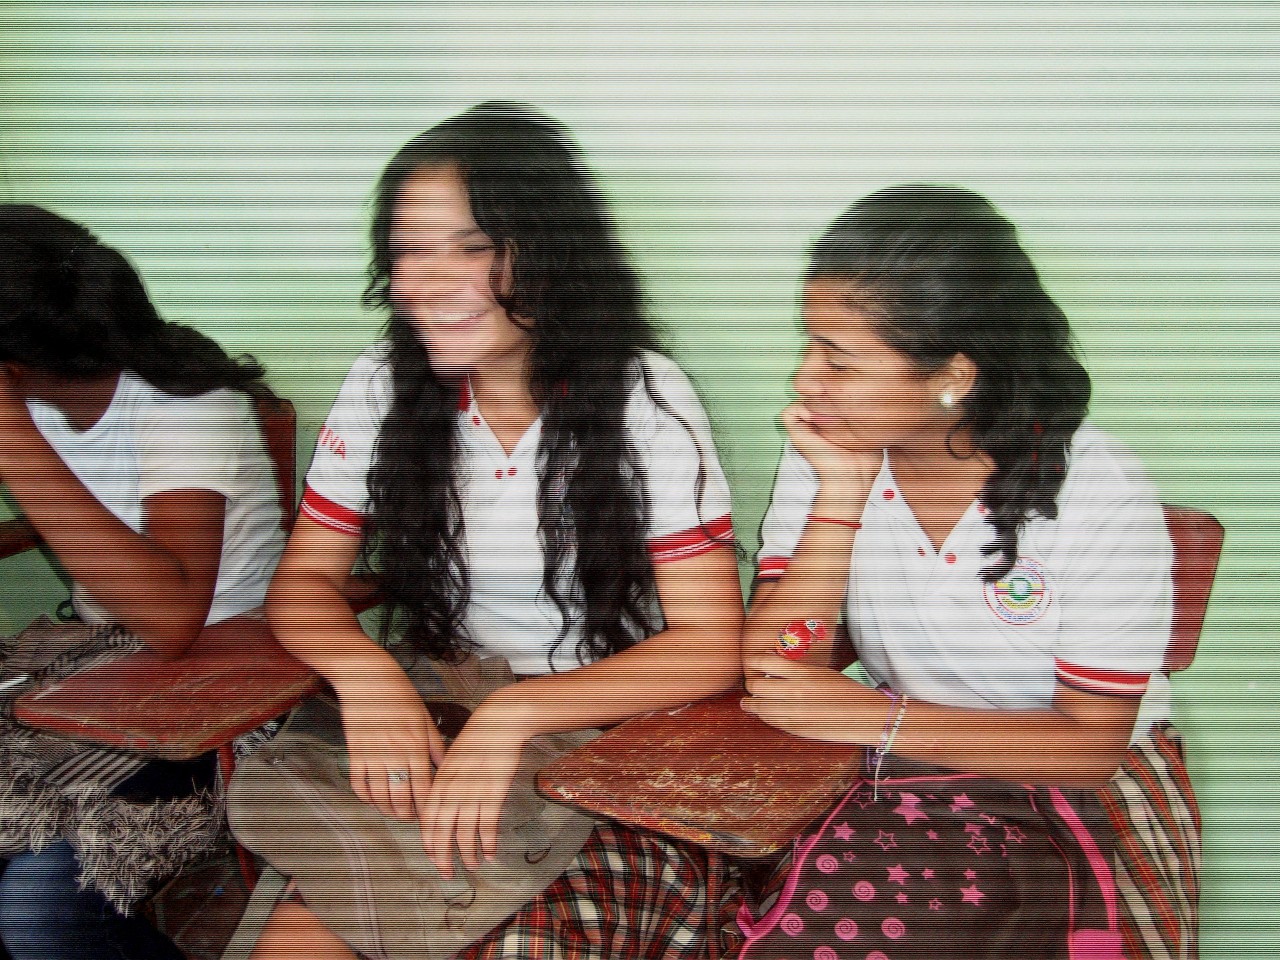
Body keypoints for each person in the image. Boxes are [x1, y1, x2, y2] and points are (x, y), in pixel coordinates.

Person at [230, 102, 743, 960]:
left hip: (607, 726)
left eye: (471, 247)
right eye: (408, 251)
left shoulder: (643, 396)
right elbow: (304, 584)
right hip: (438, 703)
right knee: (306, 934)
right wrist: (366, 675)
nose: (429, 280)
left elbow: (711, 646)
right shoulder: (383, 383)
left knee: (519, 937)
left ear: (550, 253)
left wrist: (515, 715)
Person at [733, 185, 1198, 959]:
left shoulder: (1095, 487)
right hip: (900, 771)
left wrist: (876, 719)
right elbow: (776, 668)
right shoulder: (830, 448)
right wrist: (841, 499)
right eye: (811, 347)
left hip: (1072, 791)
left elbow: (1089, 748)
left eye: (838, 359)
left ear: (952, 376)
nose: (805, 380)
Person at [0, 204, 287, 960]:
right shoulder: (41, 402)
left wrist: (10, 436)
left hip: (228, 694)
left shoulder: (186, 404)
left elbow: (170, 621)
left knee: (37, 914)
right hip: (96, 669)